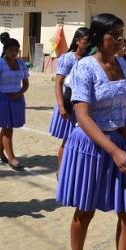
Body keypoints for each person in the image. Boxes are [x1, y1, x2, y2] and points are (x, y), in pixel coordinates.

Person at [56, 13, 126, 250]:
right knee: (85, 210)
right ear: (99, 38)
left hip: (121, 142)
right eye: (114, 34)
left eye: (122, 33)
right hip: (92, 146)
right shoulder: (84, 68)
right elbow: (82, 116)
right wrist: (113, 149)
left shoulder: (122, 62)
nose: (120, 39)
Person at [48, 27, 90, 173]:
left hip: (84, 104)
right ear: (77, 41)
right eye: (86, 40)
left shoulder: (90, 59)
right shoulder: (68, 58)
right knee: (68, 138)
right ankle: (61, 170)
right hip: (68, 102)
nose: (89, 43)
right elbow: (59, 82)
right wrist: (61, 106)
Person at [0, 38, 30, 171]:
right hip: (1, 98)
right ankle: (11, 158)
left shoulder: (21, 64)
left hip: (16, 99)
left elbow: (26, 84)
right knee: (8, 128)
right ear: (5, 50)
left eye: (16, 50)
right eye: (11, 50)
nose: (14, 53)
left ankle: (0, 151)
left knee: (7, 127)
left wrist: (19, 93)